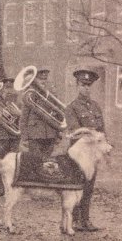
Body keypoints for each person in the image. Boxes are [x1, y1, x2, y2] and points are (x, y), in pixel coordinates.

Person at [65, 68, 105, 232]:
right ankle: (74, 220)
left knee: (89, 186)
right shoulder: (72, 107)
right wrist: (91, 134)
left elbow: (102, 130)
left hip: (92, 155)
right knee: (76, 186)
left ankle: (86, 219)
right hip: (79, 154)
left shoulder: (96, 107)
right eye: (83, 85)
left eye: (89, 85)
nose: (86, 88)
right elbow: (76, 131)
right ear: (77, 86)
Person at [19, 68, 62, 158]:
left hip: (51, 133)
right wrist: (25, 137)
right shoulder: (29, 94)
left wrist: (58, 134)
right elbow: (24, 117)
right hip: (34, 134)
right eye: (40, 79)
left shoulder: (52, 95)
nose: (43, 82)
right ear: (35, 80)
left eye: (45, 79)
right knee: (36, 162)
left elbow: (58, 116)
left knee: (48, 162)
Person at [0, 77, 20, 196]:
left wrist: (19, 114)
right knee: (0, 160)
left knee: (14, 161)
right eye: (6, 88)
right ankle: (0, 186)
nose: (8, 91)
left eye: (11, 88)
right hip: (2, 135)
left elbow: (24, 118)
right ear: (2, 89)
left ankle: (12, 186)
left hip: (15, 136)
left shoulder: (19, 102)